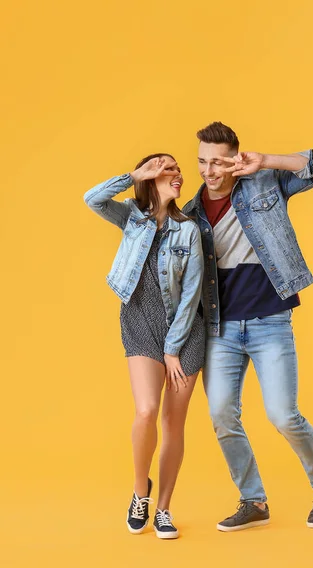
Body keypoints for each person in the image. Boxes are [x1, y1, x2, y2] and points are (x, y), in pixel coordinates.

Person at [182, 122, 313, 531]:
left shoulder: (264, 183)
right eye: (202, 161)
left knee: (283, 415)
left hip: (270, 319)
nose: (209, 170)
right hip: (221, 328)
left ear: (234, 158)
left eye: (217, 161)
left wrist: (266, 160)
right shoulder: (190, 214)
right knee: (221, 415)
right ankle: (254, 501)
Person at [84, 154, 205, 539]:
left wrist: (173, 348)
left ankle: (165, 509)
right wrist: (133, 176)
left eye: (176, 167)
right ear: (149, 177)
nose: (175, 171)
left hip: (184, 334)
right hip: (138, 322)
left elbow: (191, 296)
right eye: (163, 166)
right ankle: (141, 492)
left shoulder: (190, 231)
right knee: (146, 411)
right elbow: (93, 199)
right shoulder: (131, 217)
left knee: (172, 423)